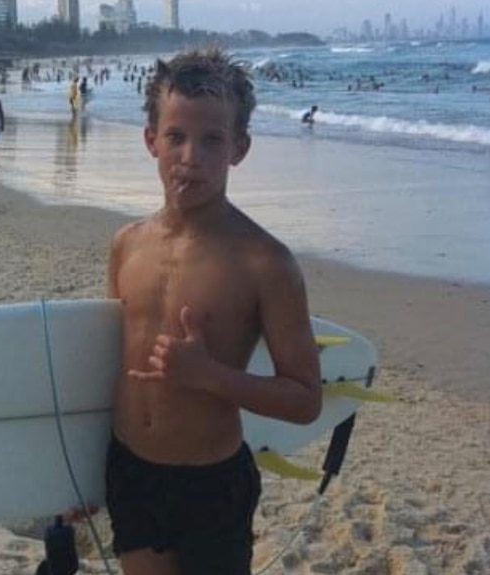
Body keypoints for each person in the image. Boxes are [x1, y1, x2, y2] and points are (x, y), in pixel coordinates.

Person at [103, 48, 322, 575]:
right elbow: (107, 369)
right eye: (175, 136)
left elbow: (305, 399)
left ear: (239, 149)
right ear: (150, 139)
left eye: (212, 140)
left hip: (211, 483)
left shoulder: (264, 263)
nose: (190, 157)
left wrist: (208, 376)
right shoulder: (125, 246)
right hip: (129, 467)